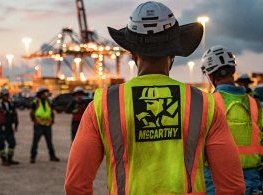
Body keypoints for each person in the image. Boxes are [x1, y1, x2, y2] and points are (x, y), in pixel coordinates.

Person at [65, 1, 245, 194]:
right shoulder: (204, 105)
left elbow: (76, 184)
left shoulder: (103, 105)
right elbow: (231, 187)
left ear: (133, 54)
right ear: (174, 54)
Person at [201, 45, 263, 194]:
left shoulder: (208, 103)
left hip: (216, 181)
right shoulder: (255, 104)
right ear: (233, 71)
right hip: (251, 182)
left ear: (210, 76)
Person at [30, 86, 60, 163]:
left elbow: (51, 111)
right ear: (39, 94)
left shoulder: (49, 101)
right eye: (43, 93)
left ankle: (52, 156)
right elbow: (32, 112)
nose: (45, 94)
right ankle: (33, 157)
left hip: (47, 125)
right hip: (38, 125)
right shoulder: (36, 102)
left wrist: (52, 120)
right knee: (35, 141)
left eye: (45, 93)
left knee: (49, 141)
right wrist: (34, 120)